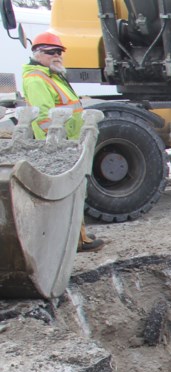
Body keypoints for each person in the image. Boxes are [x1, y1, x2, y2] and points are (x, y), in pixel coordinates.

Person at [22, 32, 105, 252]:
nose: (57, 56)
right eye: (51, 52)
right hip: (60, 146)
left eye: (59, 52)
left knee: (74, 190)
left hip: (69, 142)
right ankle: (78, 240)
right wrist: (57, 145)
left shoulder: (52, 75)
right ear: (38, 54)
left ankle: (79, 234)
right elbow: (44, 117)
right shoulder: (37, 79)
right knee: (71, 192)